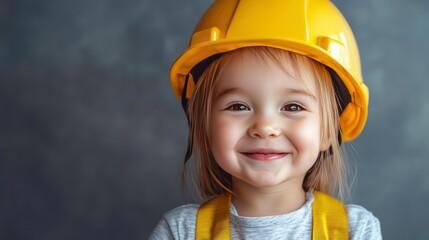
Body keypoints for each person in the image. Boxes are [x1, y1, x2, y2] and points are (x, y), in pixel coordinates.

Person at [151, 0, 382, 239]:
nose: (265, 128)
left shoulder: (356, 231)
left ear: (328, 131)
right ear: (205, 127)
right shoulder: (180, 231)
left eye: (293, 107)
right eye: (238, 106)